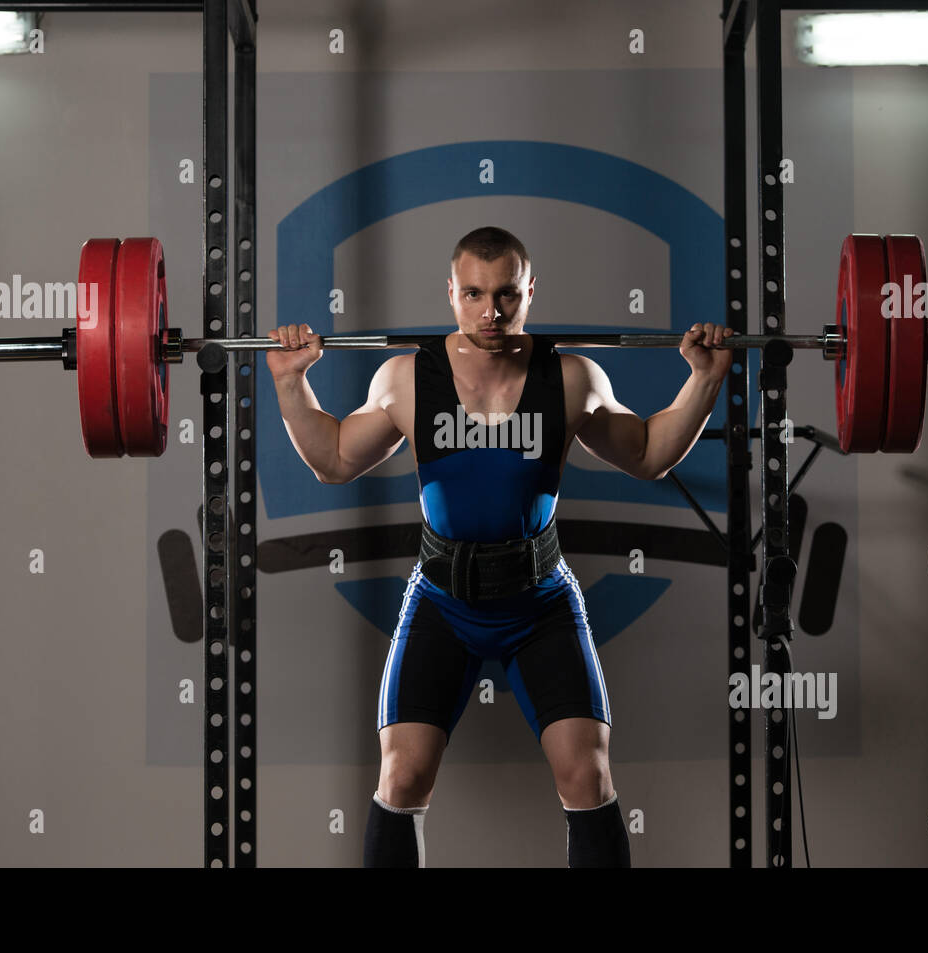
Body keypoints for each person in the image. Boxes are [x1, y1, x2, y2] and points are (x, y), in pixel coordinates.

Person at [266, 226, 734, 867]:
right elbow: (336, 460)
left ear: (530, 291)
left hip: (539, 603)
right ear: (451, 293)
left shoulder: (569, 378)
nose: (491, 312)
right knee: (401, 779)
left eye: (507, 295)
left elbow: (649, 453)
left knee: (587, 777)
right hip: (441, 600)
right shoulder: (407, 378)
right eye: (474, 294)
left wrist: (705, 380)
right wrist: (292, 382)